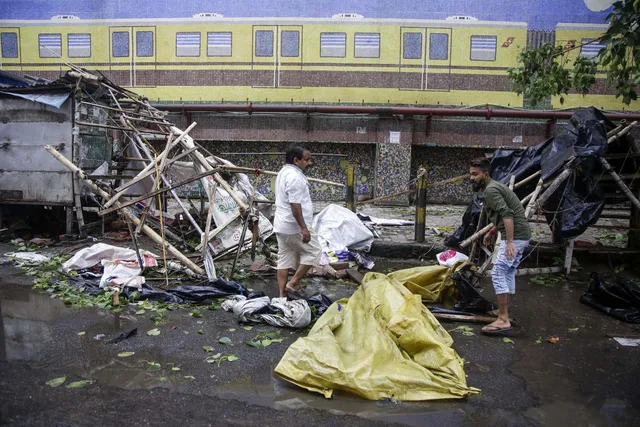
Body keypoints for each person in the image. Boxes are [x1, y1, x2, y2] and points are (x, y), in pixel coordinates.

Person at [469, 157, 531, 335]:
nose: (471, 178)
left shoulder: (491, 191)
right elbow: (503, 215)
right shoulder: (493, 187)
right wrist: (493, 231)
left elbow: (507, 213)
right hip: (519, 234)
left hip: (516, 237)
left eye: (475, 174)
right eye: (470, 174)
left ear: (485, 174)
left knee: (498, 272)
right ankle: (503, 312)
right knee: (507, 271)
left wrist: (510, 241)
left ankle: (503, 319)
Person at [273, 144, 322, 299]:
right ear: (296, 160)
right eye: (306, 160)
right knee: (314, 251)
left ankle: (282, 296)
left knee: (284, 259)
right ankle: (293, 283)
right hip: (293, 227)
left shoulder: (283, 172)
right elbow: (295, 204)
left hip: (281, 226)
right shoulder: (295, 177)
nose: (309, 163)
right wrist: (304, 228)